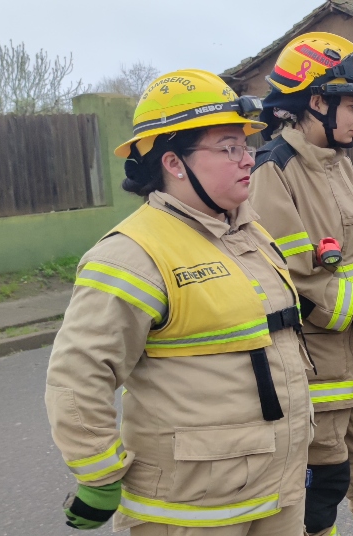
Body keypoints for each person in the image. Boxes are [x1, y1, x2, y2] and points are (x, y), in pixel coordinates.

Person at [45, 69, 312, 535]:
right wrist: (98, 474)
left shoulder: (248, 233)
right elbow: (77, 376)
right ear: (173, 163)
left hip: (276, 493)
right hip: (190, 512)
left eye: (245, 146)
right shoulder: (132, 253)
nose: (247, 160)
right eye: (229, 148)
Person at [249, 33, 353, 536]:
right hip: (315, 380)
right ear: (315, 102)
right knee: (318, 496)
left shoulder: (338, 165)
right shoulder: (273, 173)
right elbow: (285, 278)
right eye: (351, 105)